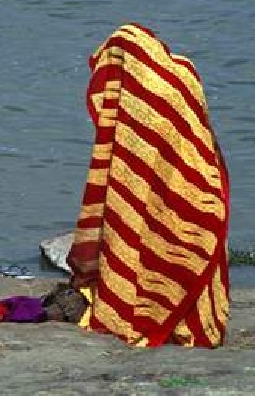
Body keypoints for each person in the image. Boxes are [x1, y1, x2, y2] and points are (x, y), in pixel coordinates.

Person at [65, 23, 230, 348]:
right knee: (183, 245)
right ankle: (188, 321)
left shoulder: (136, 96)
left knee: (144, 233)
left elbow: (128, 166)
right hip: (200, 191)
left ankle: (144, 309)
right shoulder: (183, 74)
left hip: (173, 185)